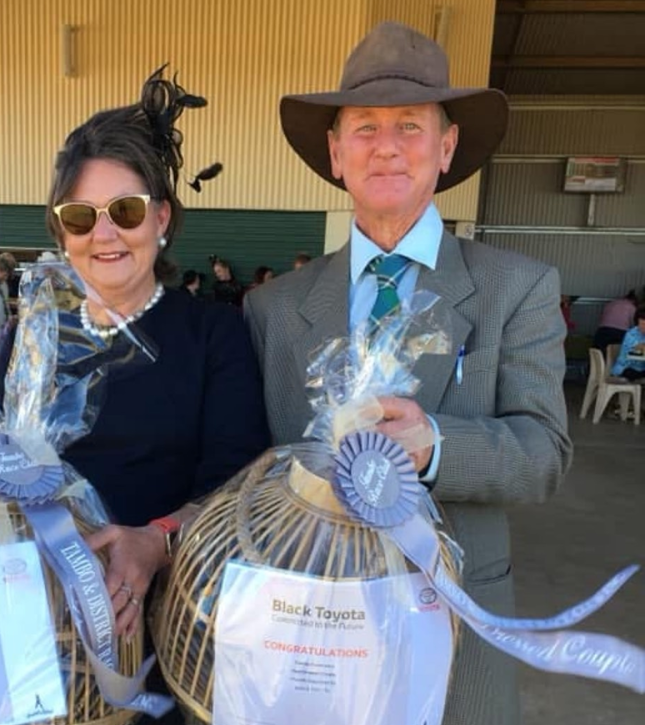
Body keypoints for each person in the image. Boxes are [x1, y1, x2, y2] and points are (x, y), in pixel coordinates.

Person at [244, 23, 571, 725]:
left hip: (459, 626)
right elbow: (251, 466)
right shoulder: (272, 308)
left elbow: (544, 453)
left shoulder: (517, 288)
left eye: (410, 126)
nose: (387, 145)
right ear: (336, 153)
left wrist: (436, 446)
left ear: (446, 148)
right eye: (364, 127)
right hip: (311, 626)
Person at [0, 68, 269, 722]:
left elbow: (238, 483)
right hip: (44, 633)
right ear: (61, 231)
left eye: (127, 210)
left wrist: (158, 540)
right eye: (81, 215)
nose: (105, 232)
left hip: (171, 629)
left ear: (162, 218)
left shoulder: (212, 334)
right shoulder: (32, 337)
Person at [610, 307, 645, 381]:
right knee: (631, 372)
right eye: (642, 324)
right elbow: (640, 347)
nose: (644, 327)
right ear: (637, 323)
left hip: (642, 369)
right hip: (626, 368)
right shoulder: (631, 334)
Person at [0, 251, 17, 330]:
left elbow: (5, 305)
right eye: (4, 274)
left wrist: (10, 318)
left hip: (3, 330)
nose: (6, 278)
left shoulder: (4, 286)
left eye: (7, 275)